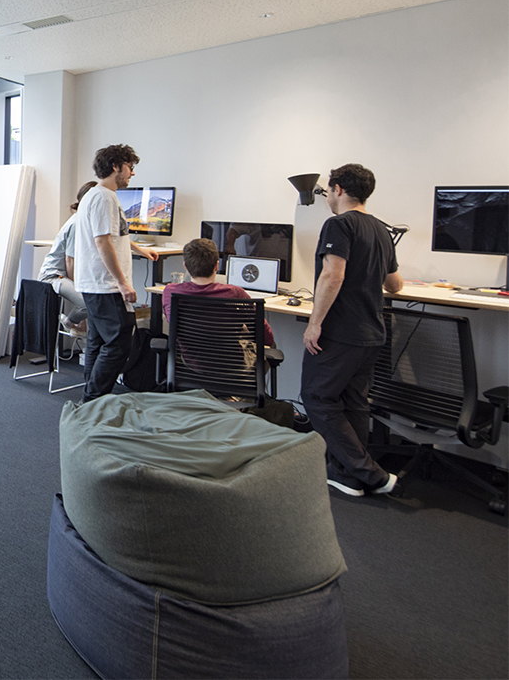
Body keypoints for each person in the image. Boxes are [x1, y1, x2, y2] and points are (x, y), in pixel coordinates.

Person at [300, 164, 403, 497]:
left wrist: (314, 324)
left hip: (340, 332)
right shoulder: (381, 230)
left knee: (316, 397)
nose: (328, 197)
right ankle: (347, 477)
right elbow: (395, 285)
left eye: (328, 191)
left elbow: (333, 274)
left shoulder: (339, 224)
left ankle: (371, 474)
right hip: (371, 333)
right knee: (353, 403)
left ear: (339, 189)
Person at [73, 144, 158, 403]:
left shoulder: (95, 195)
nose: (132, 173)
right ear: (115, 166)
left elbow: (112, 235)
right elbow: (102, 242)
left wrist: (139, 249)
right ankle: (92, 399)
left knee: (98, 342)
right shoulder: (104, 197)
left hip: (94, 283)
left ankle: (91, 403)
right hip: (105, 284)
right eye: (129, 167)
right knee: (120, 342)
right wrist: (122, 283)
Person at [162, 238, 275, 346]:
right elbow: (266, 338)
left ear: (186, 266)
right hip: (232, 359)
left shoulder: (170, 292)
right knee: (271, 347)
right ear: (217, 265)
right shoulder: (236, 293)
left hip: (189, 358)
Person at [38, 181, 97, 336]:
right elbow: (70, 261)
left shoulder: (83, 221)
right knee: (88, 304)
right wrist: (80, 287)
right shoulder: (77, 224)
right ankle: (69, 322)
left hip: (62, 274)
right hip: (53, 276)